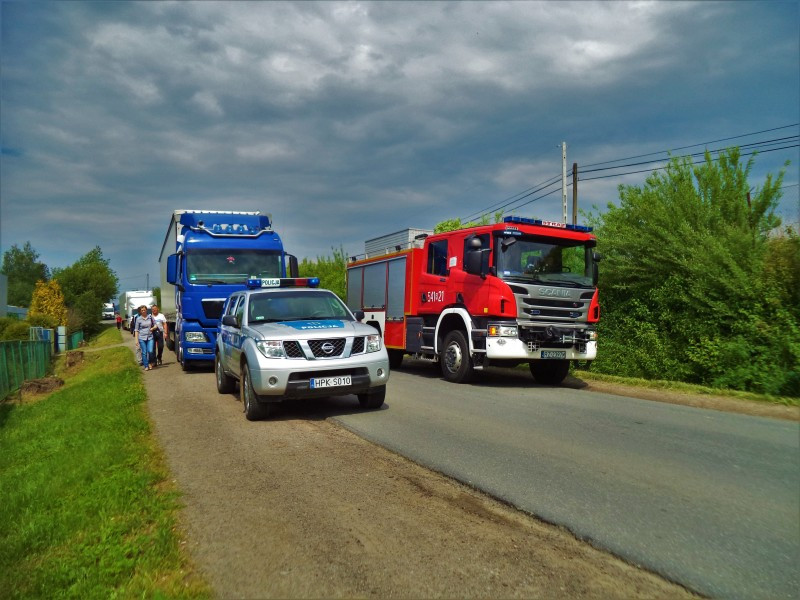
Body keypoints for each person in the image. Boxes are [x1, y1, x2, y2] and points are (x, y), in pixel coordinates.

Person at [134, 305, 156, 371]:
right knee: (144, 352)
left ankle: (150, 362)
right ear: (140, 311)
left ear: (146, 310)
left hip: (150, 337)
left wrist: (153, 328)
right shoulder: (138, 319)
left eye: (144, 310)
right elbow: (136, 330)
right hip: (142, 338)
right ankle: (146, 365)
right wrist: (136, 340)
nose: (143, 311)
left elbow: (155, 324)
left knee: (150, 351)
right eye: (142, 310)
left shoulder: (150, 317)